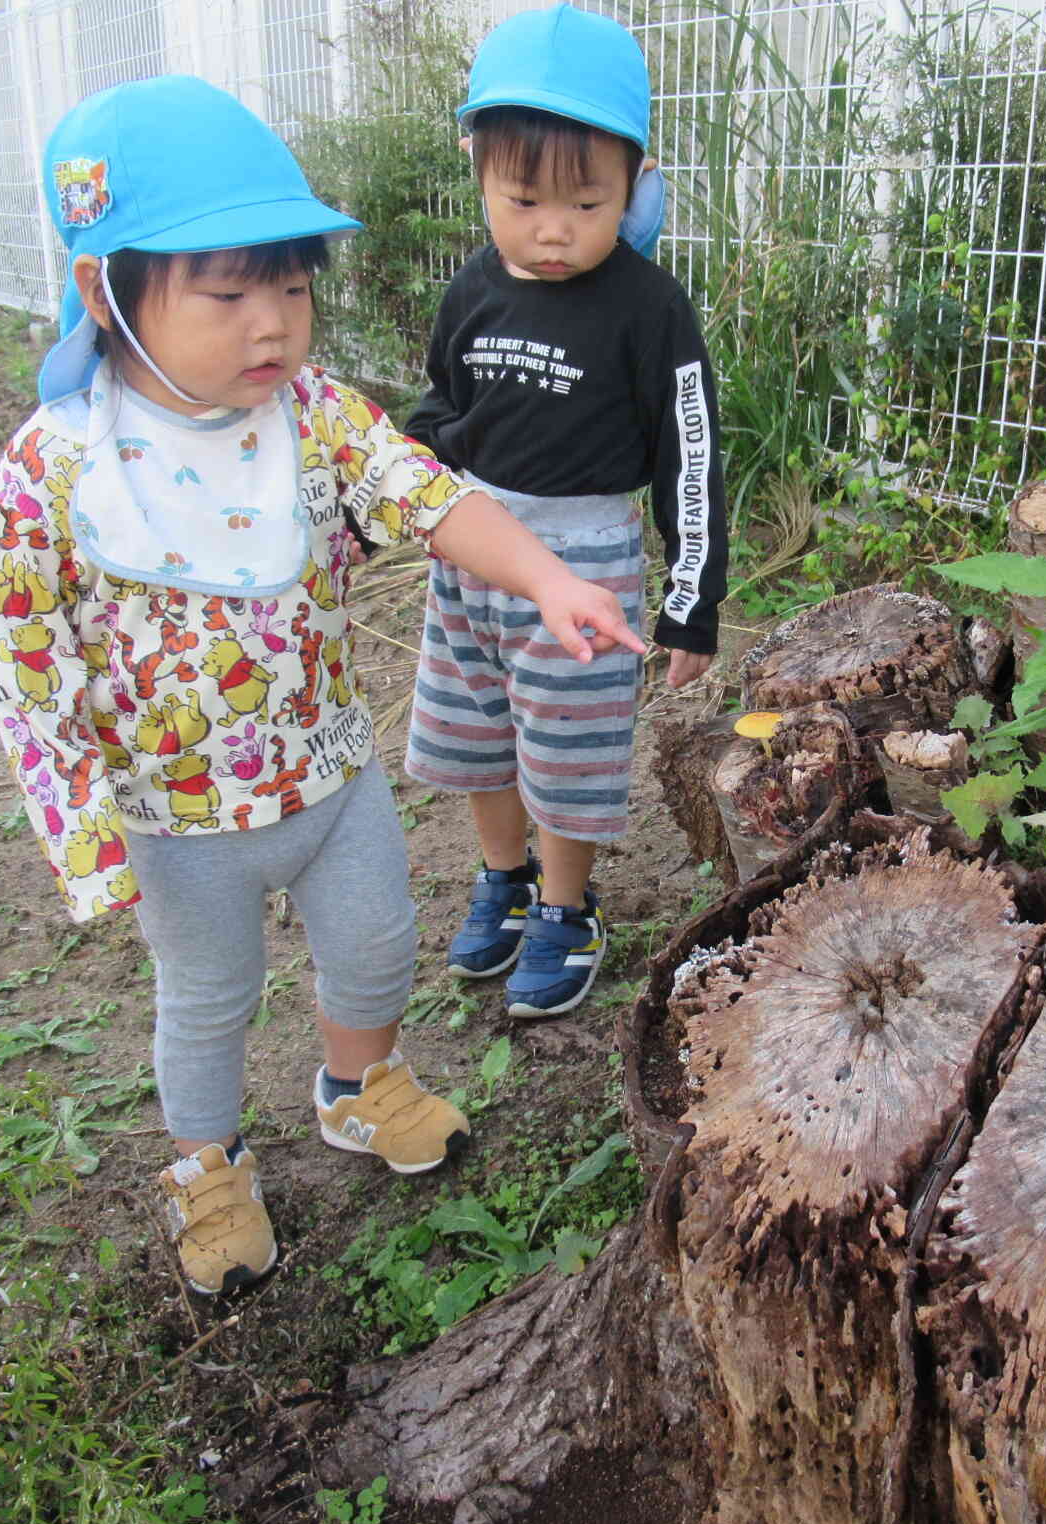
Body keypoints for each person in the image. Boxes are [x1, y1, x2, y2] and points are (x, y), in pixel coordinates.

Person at [0, 75, 645, 1296]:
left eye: (290, 288)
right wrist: (82, 831)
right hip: (176, 821)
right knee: (208, 998)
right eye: (227, 294)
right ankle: (207, 1166)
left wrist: (547, 575)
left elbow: (424, 492)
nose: (272, 326)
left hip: (331, 775)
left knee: (378, 944)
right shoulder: (60, 468)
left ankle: (357, 1083)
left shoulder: (312, 414)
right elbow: (29, 662)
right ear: (105, 290)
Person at [405, 4, 727, 1020]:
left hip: (584, 563)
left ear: (636, 180)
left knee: (566, 752)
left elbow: (688, 453)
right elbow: (441, 406)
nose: (553, 229)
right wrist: (419, 468)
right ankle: (503, 881)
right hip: (470, 553)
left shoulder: (647, 305)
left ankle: (565, 906)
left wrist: (690, 602)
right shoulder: (471, 291)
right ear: (479, 171)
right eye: (524, 199)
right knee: (475, 736)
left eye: (587, 203)